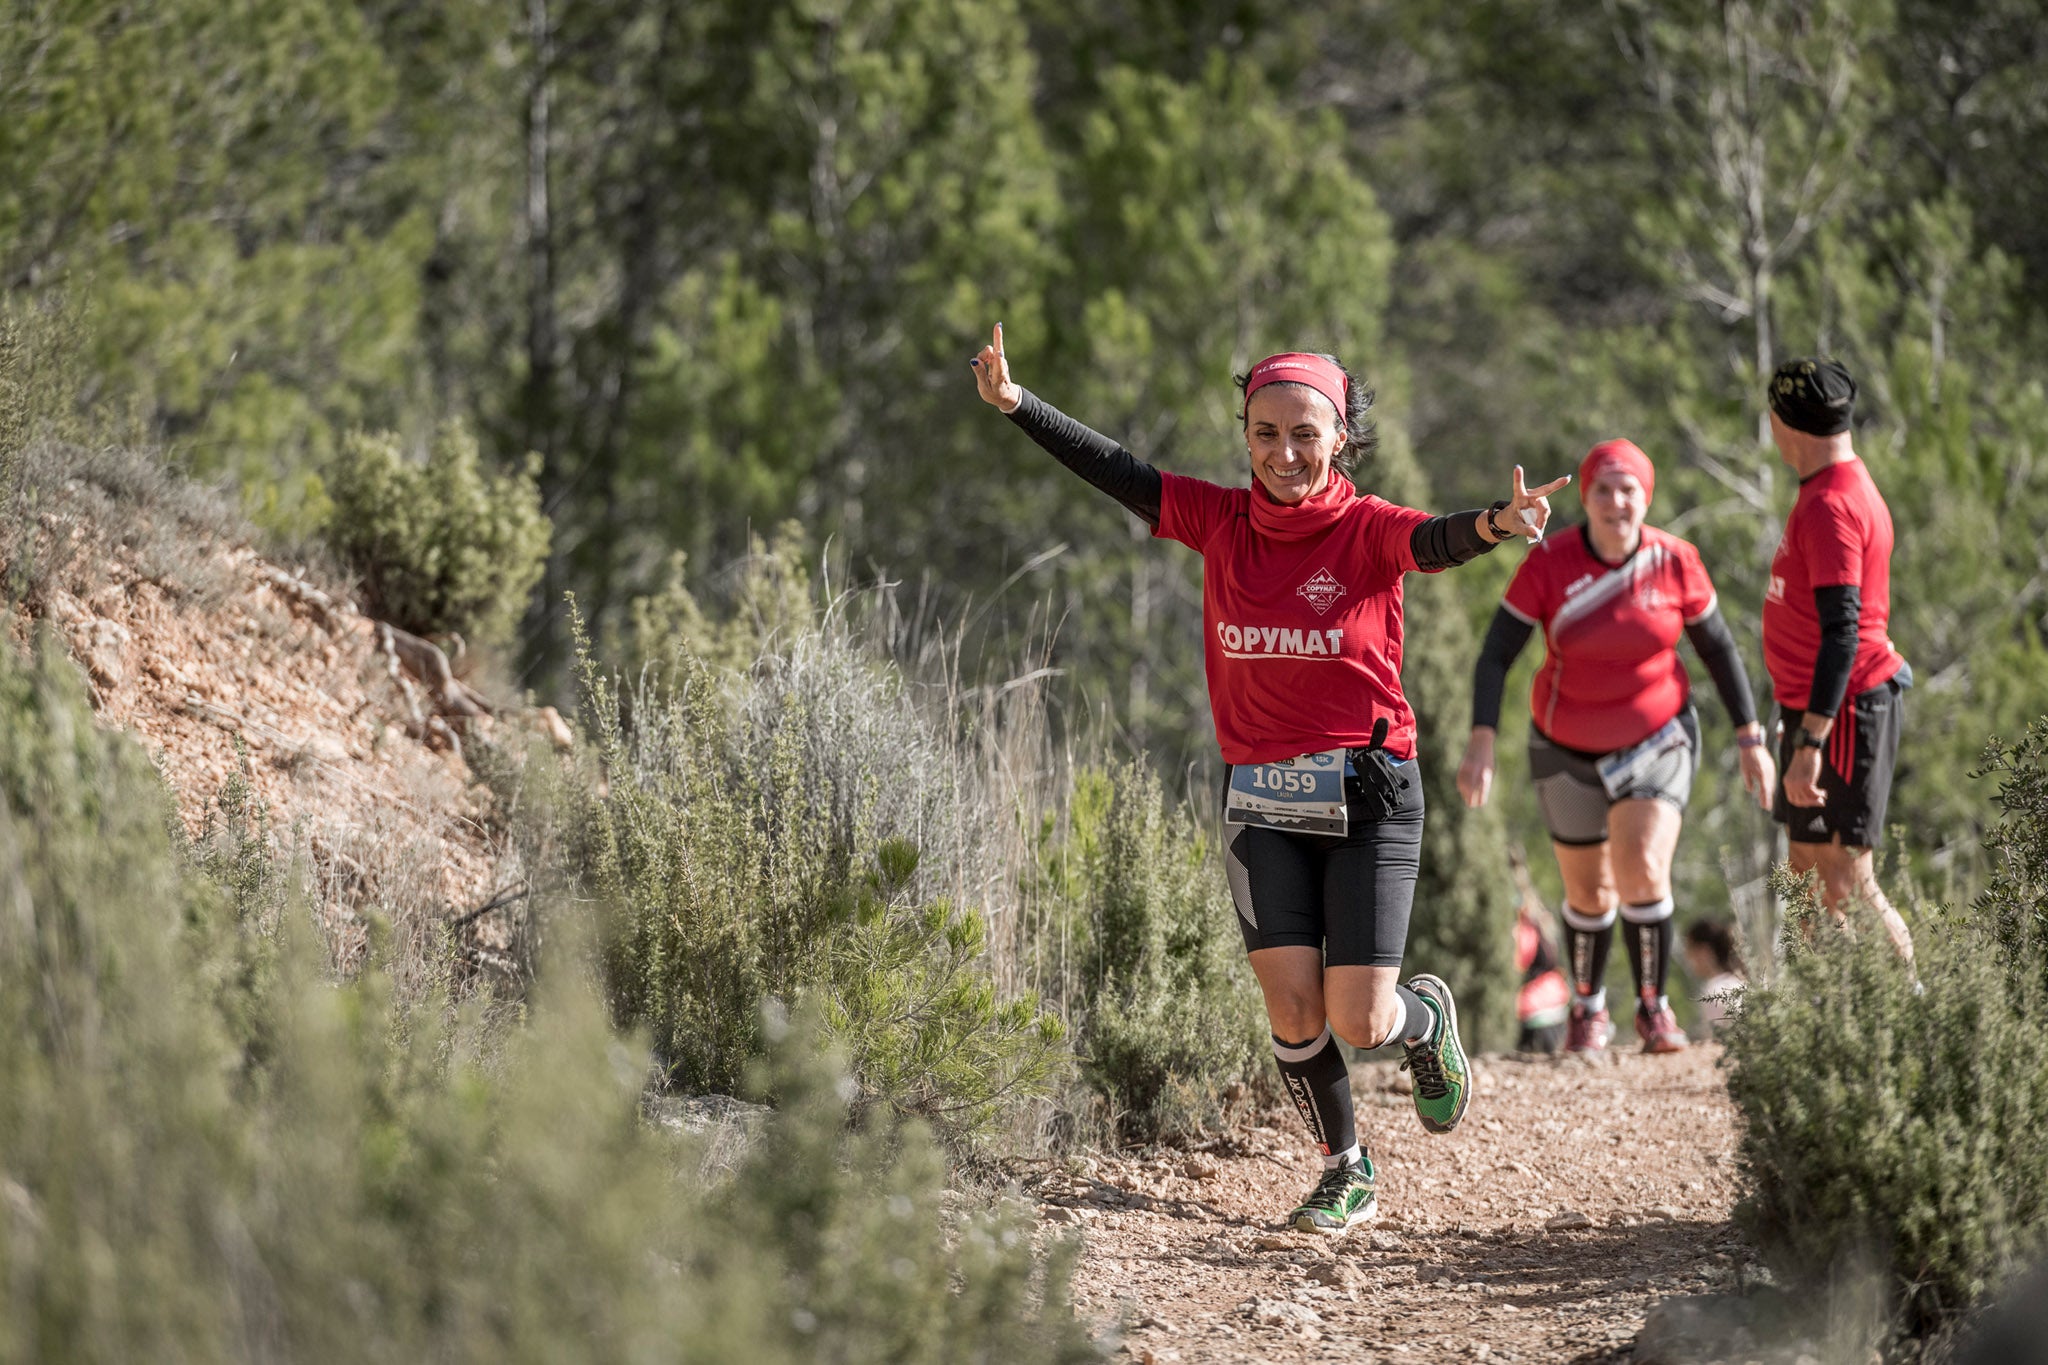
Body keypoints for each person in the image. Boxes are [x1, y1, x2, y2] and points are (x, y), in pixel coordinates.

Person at [970, 324, 1567, 1235]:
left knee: (1358, 1018)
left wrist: (1497, 522)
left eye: (1304, 434)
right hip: (1262, 799)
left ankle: (1420, 1021)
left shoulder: (1366, 530)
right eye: (1264, 433)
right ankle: (1346, 1167)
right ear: (1246, 435)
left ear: (1340, 439)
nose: (1284, 453)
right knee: (1292, 1005)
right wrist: (1019, 405)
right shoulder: (1220, 521)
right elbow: (1119, 469)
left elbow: (1437, 540)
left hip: (1369, 796)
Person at [1457, 438, 1775, 1055]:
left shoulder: (1675, 561)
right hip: (1565, 745)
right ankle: (1589, 1008)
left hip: (1659, 738)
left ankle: (1654, 1010)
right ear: (1586, 495)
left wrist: (1749, 737)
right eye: (1603, 488)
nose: (1616, 501)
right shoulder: (1551, 564)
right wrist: (1481, 741)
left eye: (1628, 489)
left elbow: (1719, 651)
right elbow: (1496, 653)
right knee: (1589, 892)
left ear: (1645, 497)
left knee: (1641, 865)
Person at [1761, 358, 1914, 961]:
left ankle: (1916, 1018)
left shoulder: (1830, 505)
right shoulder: (1834, 488)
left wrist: (1810, 744)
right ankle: (1830, 1029)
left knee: (1847, 882)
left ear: (1783, 422)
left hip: (1844, 713)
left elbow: (1843, 635)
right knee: (1805, 876)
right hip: (1814, 709)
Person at [1683, 918, 1745, 1035]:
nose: (1687, 957)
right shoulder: (1741, 982)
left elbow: (1719, 1042)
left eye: (1689, 949)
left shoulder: (1715, 992)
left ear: (1703, 951)